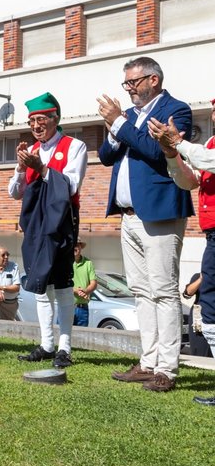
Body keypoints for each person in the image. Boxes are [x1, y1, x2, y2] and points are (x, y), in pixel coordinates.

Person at [98, 56, 194, 393]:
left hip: (161, 212)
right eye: (125, 83)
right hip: (128, 215)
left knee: (164, 291)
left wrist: (121, 125)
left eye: (134, 82)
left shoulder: (176, 110)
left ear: (153, 80)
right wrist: (115, 128)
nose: (129, 89)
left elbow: (159, 153)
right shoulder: (129, 117)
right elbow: (106, 156)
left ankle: (167, 368)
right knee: (140, 291)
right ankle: (149, 360)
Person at [9, 92, 88, 368]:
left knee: (64, 286)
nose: (36, 126)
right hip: (34, 225)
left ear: (55, 119)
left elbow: (71, 186)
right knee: (41, 287)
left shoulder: (74, 146)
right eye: (32, 122)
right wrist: (21, 169)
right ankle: (46, 343)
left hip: (61, 222)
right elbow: (15, 193)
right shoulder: (30, 152)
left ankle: (64, 347)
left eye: (41, 120)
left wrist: (41, 168)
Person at [148, 109, 215, 403]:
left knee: (211, 304)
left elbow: (205, 161)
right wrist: (172, 154)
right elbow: (191, 181)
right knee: (211, 304)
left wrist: (179, 143)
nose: (214, 114)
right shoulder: (210, 143)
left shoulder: (206, 149)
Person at [181, 273, 212, 358]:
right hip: (199, 319)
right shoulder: (198, 276)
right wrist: (201, 279)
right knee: (199, 351)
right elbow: (187, 294)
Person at [72, 240, 97, 327]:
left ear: (80, 248)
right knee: (63, 336)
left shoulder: (88, 263)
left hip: (83, 308)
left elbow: (94, 283)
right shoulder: (64, 262)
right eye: (73, 245)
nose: (75, 248)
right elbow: (60, 283)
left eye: (77, 245)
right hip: (66, 307)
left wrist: (85, 291)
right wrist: (75, 290)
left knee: (81, 338)